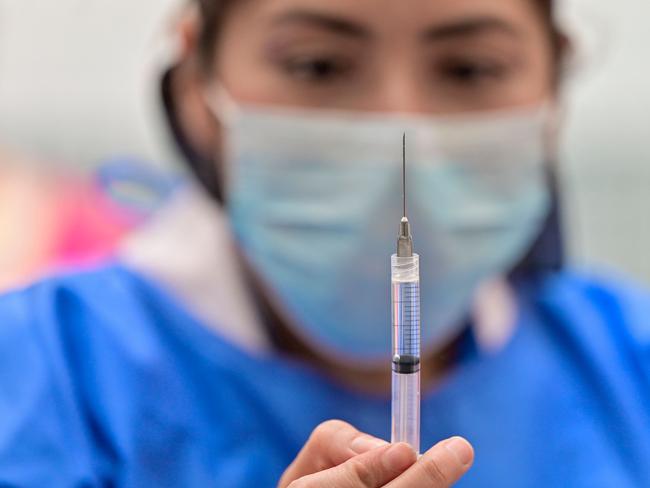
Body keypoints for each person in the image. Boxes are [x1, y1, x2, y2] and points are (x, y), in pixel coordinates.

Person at [1, 0, 649, 486]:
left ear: (554, 86)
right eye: (318, 65)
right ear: (197, 84)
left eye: (470, 68)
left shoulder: (629, 366)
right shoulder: (44, 374)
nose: (401, 128)